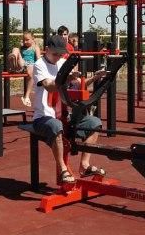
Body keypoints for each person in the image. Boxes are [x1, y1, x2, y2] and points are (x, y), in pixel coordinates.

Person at [31, 35, 107, 185]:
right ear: (46, 50)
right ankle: (63, 169)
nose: (58, 57)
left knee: (94, 123)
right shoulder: (39, 64)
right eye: (55, 54)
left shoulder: (62, 62)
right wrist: (67, 78)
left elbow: (79, 85)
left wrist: (96, 78)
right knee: (56, 126)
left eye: (61, 54)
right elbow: (49, 86)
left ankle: (84, 165)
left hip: (64, 115)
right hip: (43, 117)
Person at [7, 31, 41, 107]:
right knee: (16, 49)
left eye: (27, 40)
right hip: (21, 65)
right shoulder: (22, 47)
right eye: (24, 40)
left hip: (30, 65)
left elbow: (38, 59)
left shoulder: (35, 47)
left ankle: (26, 96)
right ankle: (12, 61)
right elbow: (20, 58)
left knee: (31, 69)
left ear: (33, 39)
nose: (25, 42)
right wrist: (17, 54)